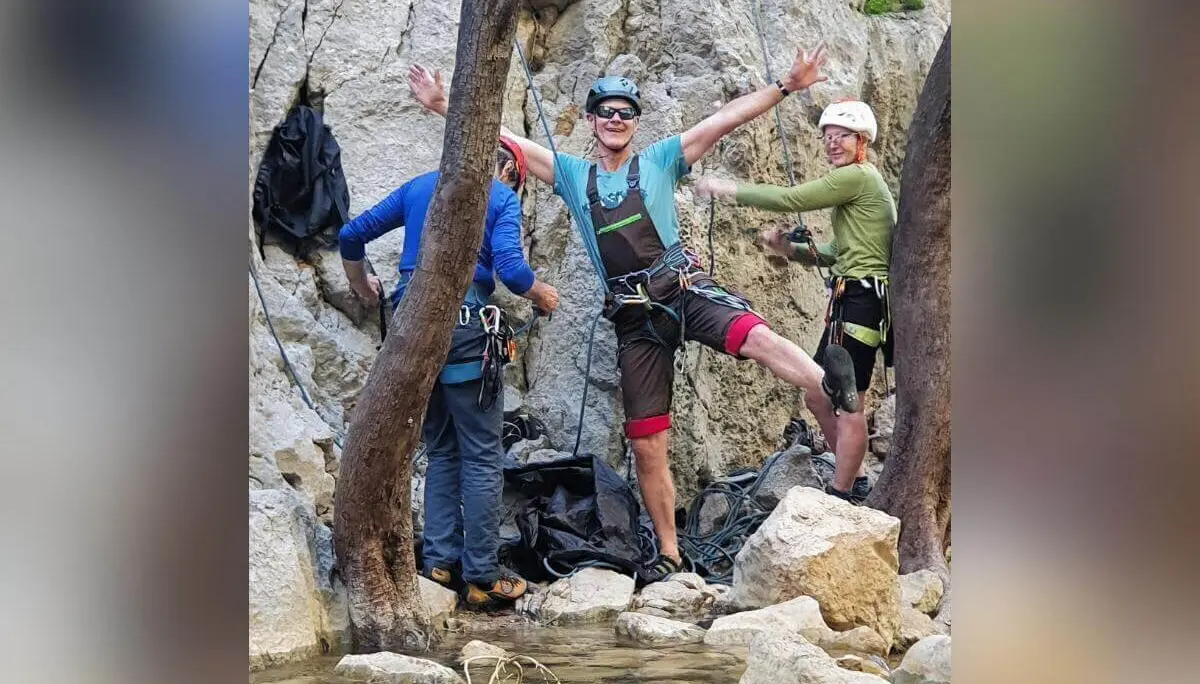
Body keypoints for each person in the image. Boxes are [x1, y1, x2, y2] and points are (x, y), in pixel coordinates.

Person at [407, 42, 859, 584]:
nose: (616, 120)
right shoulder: (575, 176)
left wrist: (787, 86)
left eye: (625, 113)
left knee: (770, 347)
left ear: (635, 123)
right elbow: (505, 136)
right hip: (633, 317)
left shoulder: (661, 159)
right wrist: (440, 104)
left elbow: (724, 120)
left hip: (684, 288)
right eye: (606, 113)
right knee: (647, 441)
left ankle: (837, 442)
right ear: (594, 122)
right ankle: (669, 553)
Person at [338, 138, 560, 608]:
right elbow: (512, 272)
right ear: (511, 173)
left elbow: (350, 235)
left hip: (408, 329)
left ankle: (438, 564)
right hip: (464, 330)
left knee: (441, 450)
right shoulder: (498, 196)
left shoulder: (418, 188)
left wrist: (363, 286)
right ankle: (481, 576)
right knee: (481, 454)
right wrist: (541, 294)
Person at [694, 99, 897, 503]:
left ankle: (842, 493)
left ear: (861, 142)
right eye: (828, 137)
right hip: (847, 298)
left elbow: (792, 199)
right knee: (819, 392)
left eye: (842, 136)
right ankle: (850, 476)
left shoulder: (859, 177)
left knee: (848, 401)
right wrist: (789, 249)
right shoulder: (857, 188)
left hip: (861, 300)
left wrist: (730, 189)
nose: (832, 144)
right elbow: (835, 252)